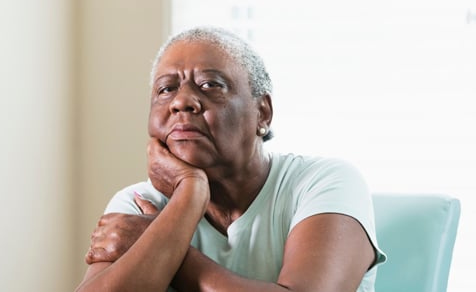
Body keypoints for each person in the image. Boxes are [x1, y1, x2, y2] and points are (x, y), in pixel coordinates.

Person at [75, 27, 386, 292]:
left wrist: (164, 248)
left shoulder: (325, 182)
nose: (182, 101)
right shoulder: (138, 203)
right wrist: (190, 193)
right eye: (166, 89)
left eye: (210, 85)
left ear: (262, 112)